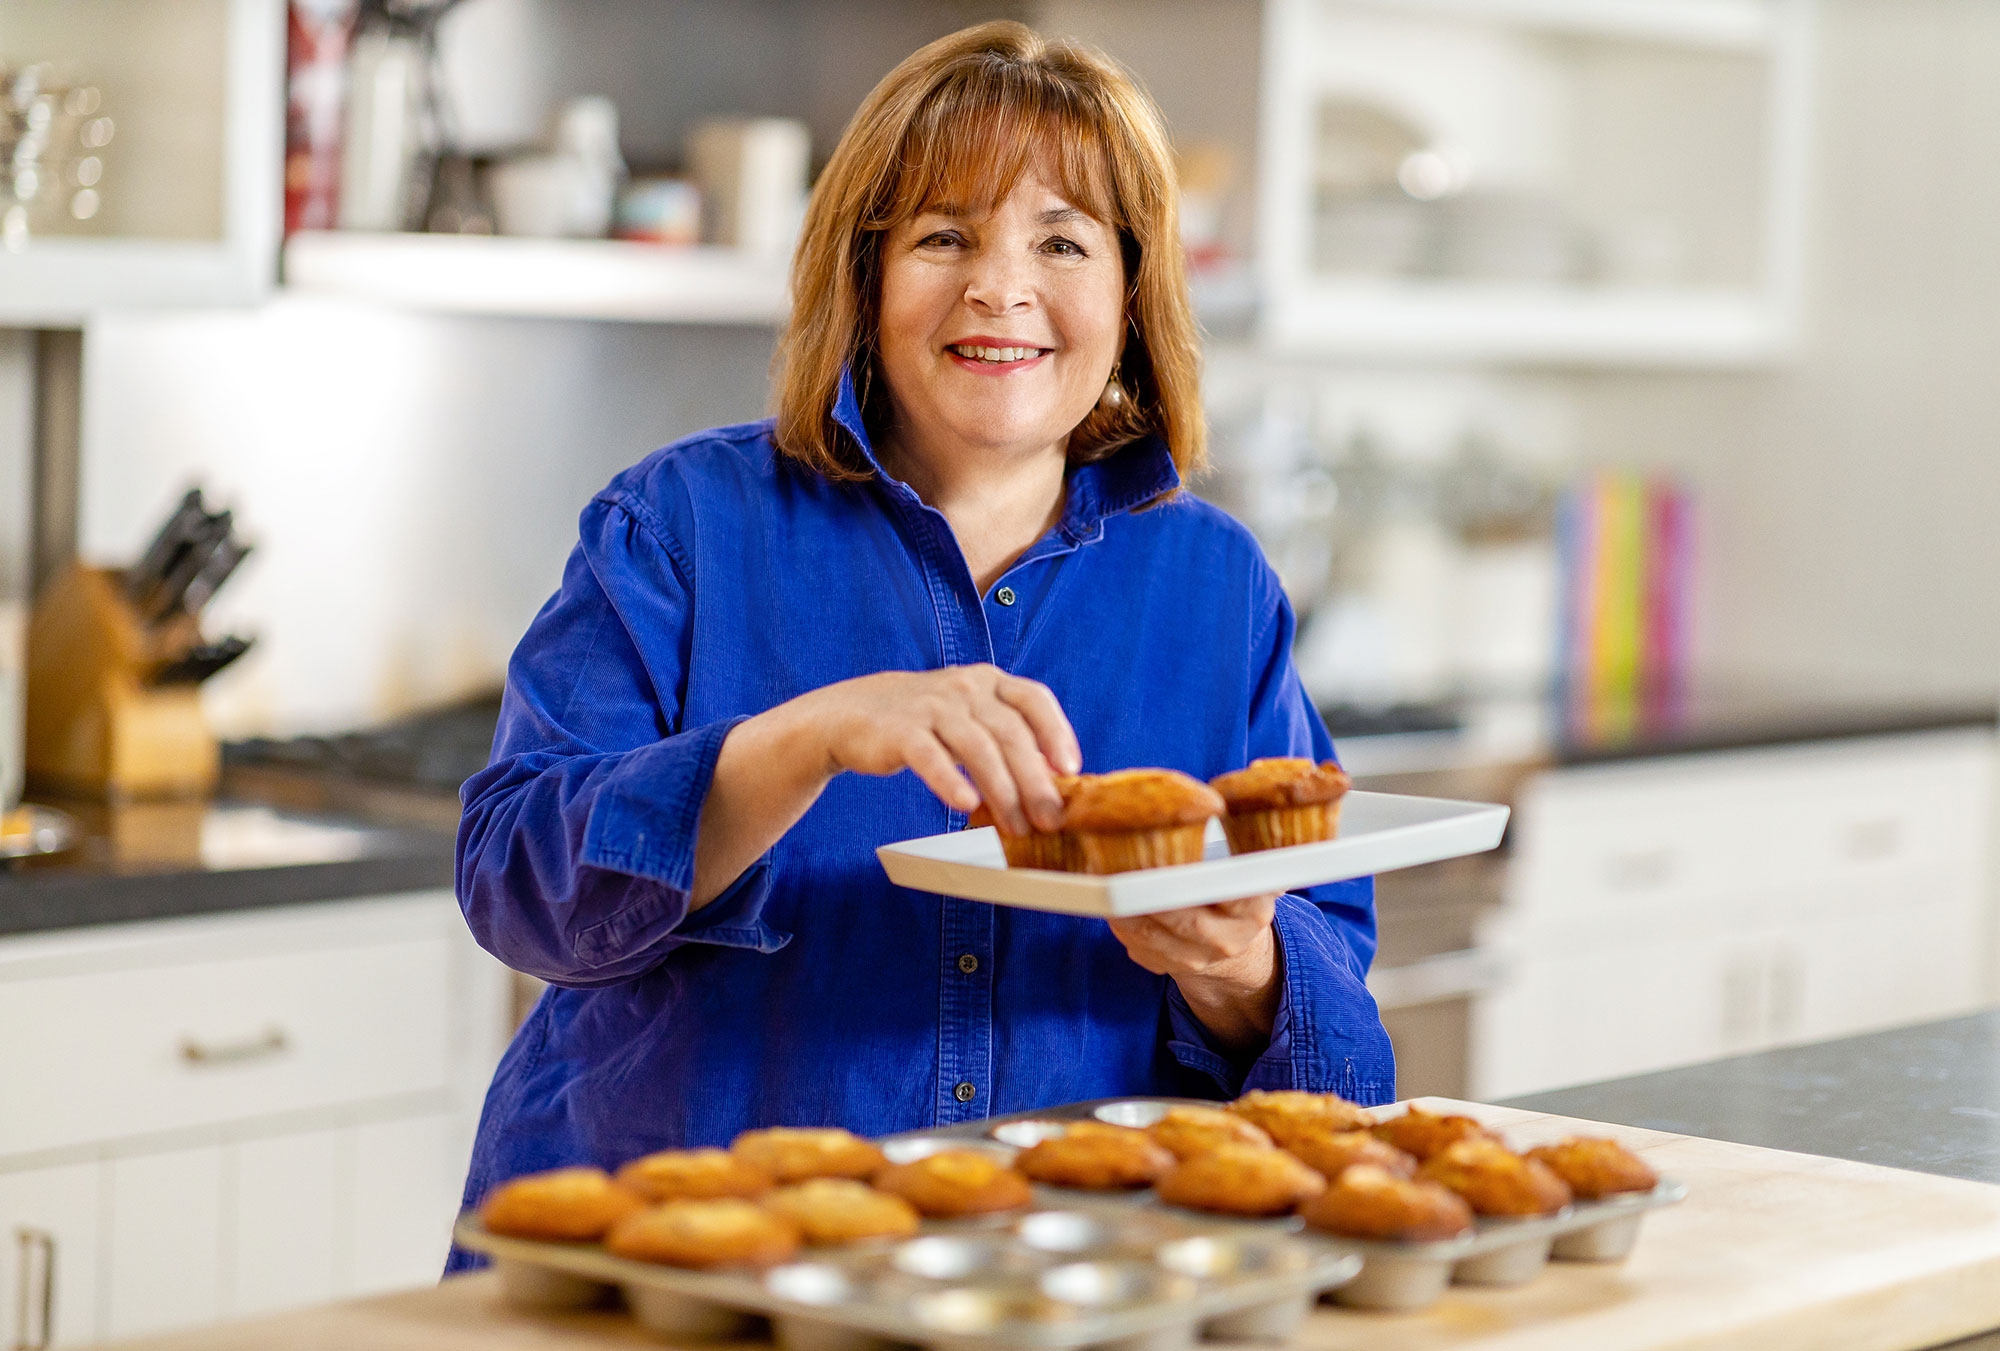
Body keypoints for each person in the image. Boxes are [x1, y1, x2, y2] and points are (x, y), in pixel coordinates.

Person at [448, 20, 1393, 1268]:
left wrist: (1240, 970)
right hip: (675, 1275)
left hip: (1047, 1280)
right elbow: (516, 889)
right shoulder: (676, 525)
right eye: (943, 236)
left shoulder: (1213, 586)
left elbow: (1341, 1060)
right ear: (864, 273)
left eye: (1061, 242)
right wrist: (804, 739)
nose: (998, 288)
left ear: (1130, 291)